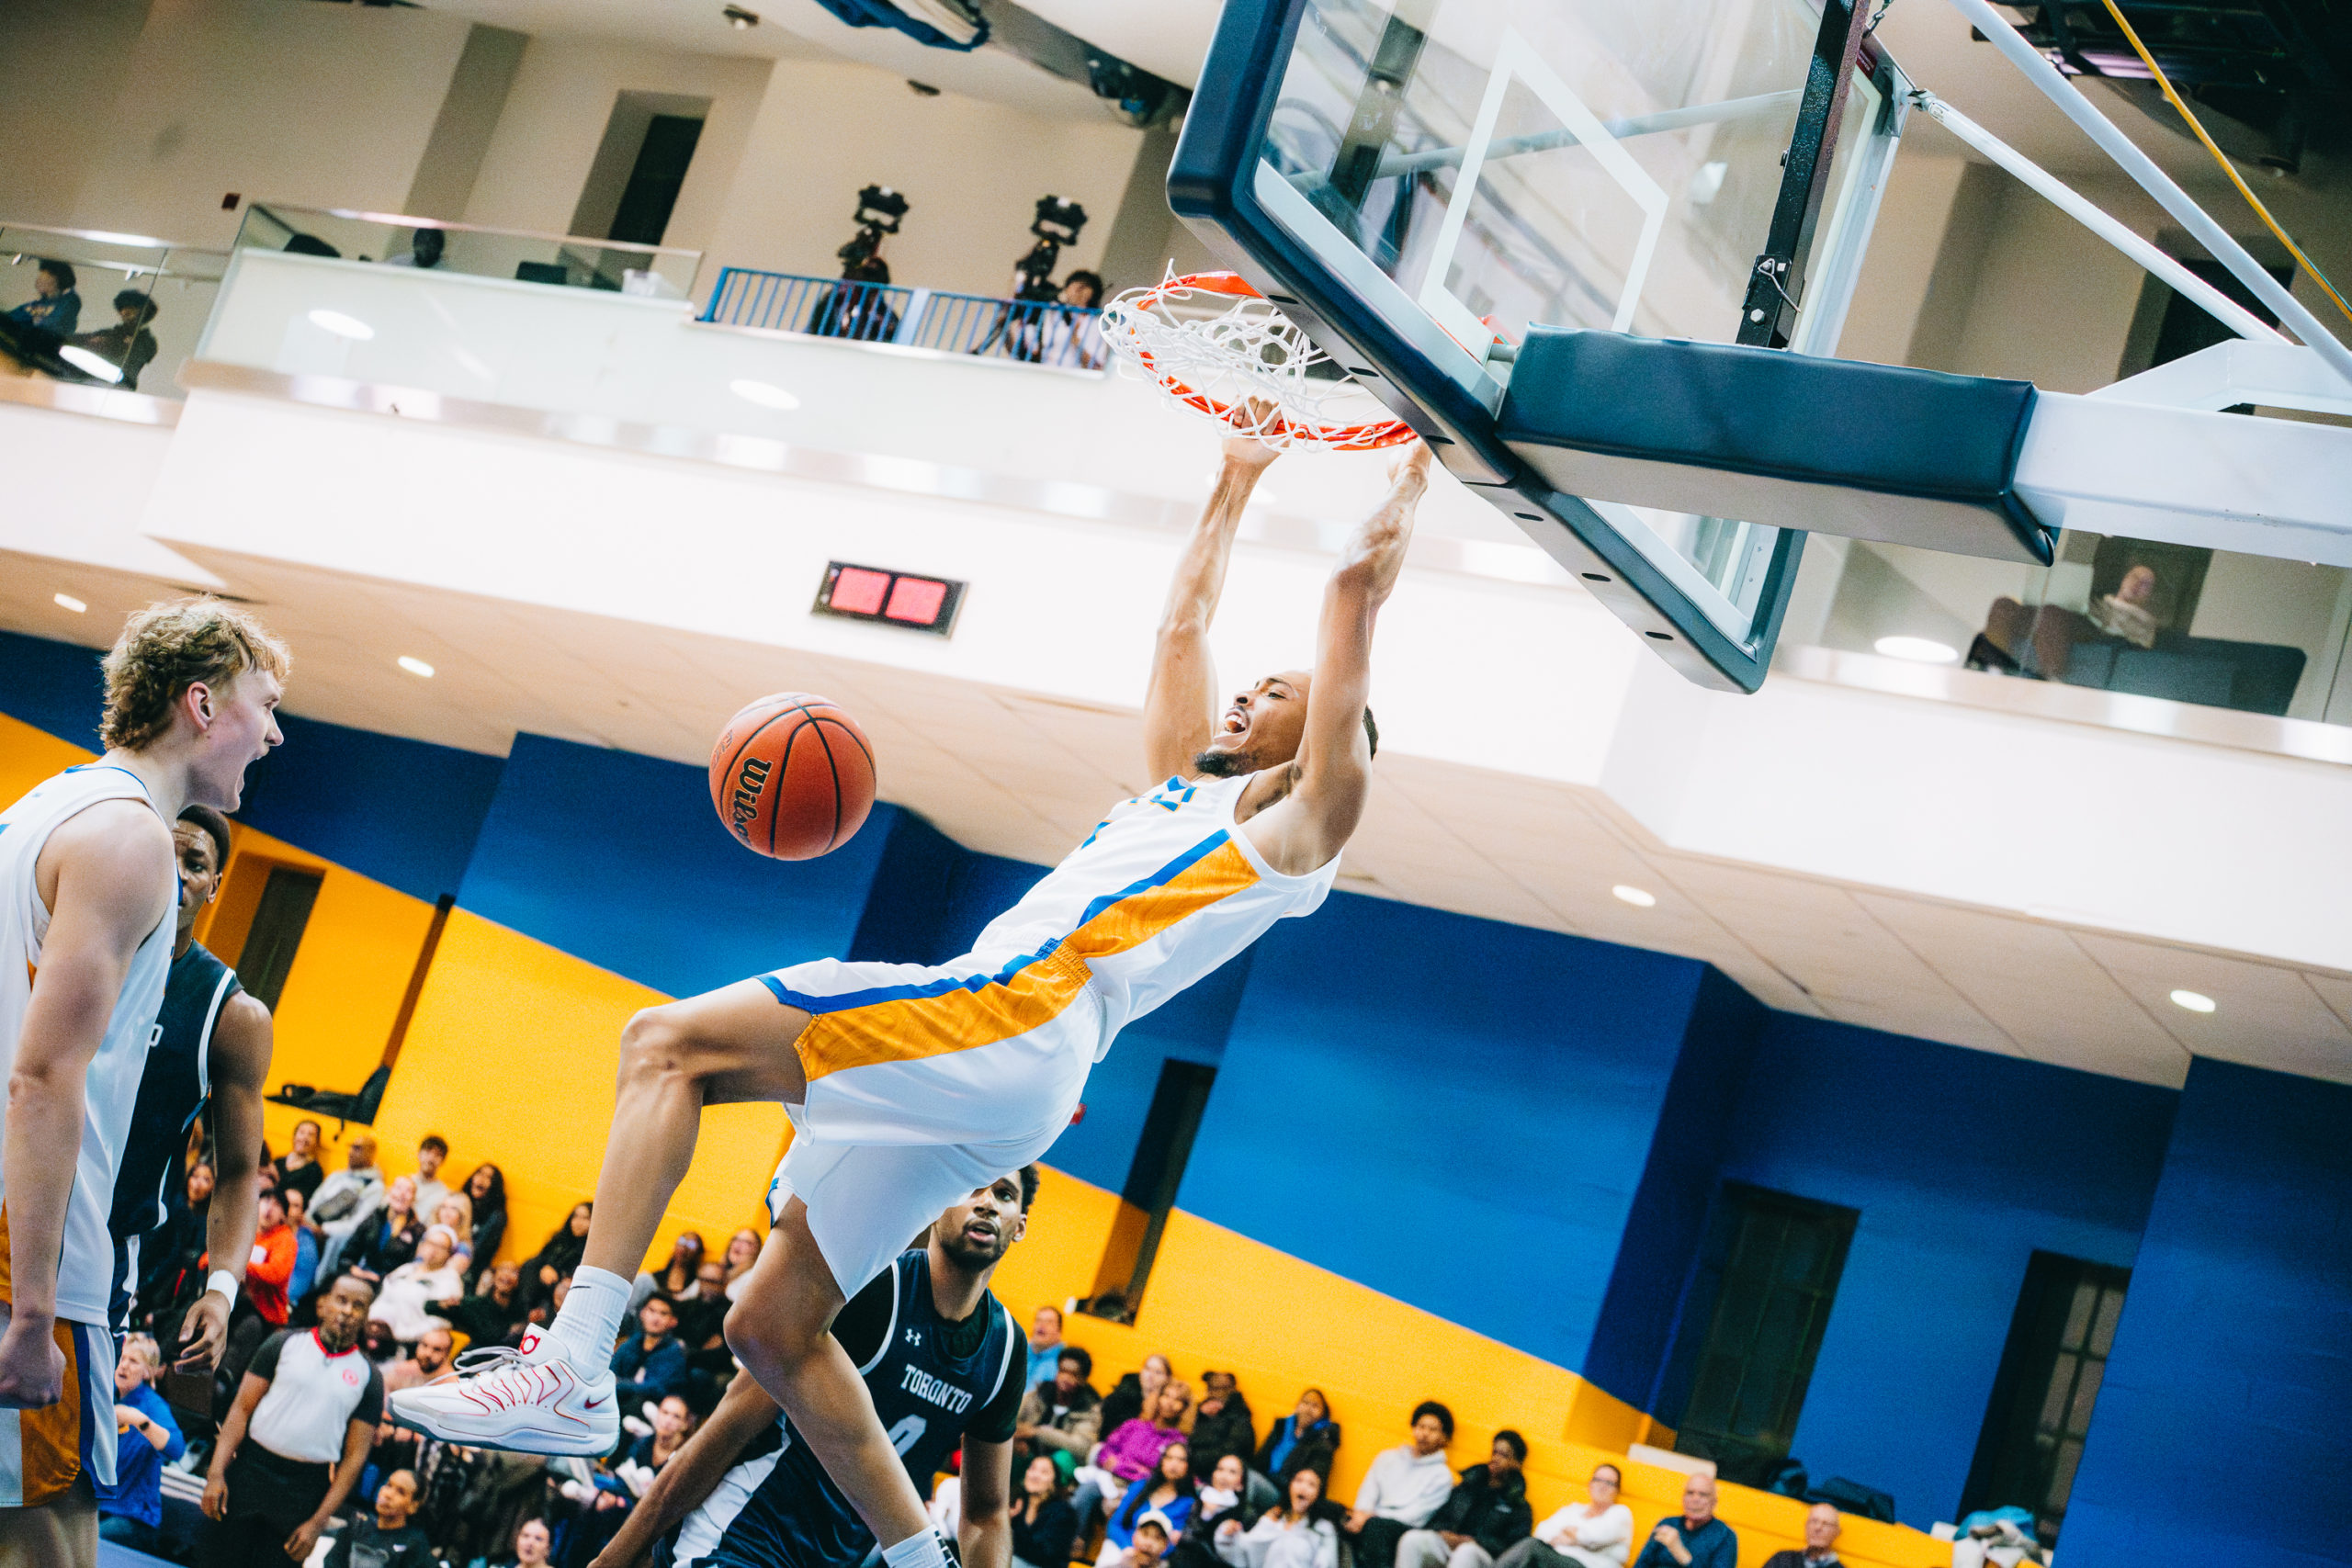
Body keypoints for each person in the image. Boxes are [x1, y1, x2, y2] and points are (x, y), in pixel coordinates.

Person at [396, 433, 1434, 1568]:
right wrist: (1235, 477)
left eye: (1276, 692)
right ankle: (914, 1557)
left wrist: (1410, 467)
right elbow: (1182, 625)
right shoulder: (1183, 792)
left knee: (665, 1044)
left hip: (1010, 1012)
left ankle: (574, 1361)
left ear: (1324, 734)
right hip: (1018, 1075)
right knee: (770, 1327)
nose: (1246, 693)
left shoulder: (1299, 830)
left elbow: (1350, 600)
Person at [0, 598, 286, 1561]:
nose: (275, 732)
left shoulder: (40, 806)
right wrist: (36, 1309)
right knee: (51, 1535)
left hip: (39, 1238)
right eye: (264, 704)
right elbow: (43, 1077)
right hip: (31, 1249)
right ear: (201, 705)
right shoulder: (128, 841)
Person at [585, 1170, 1036, 1568]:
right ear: (937, 1205)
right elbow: (726, 1430)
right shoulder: (872, 1290)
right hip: (742, 1535)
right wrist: (616, 1556)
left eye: (1003, 1194)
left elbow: (985, 1514)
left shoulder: (1007, 1349)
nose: (985, 1202)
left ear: (1020, 1226)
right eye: (971, 1188)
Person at [107, 801, 273, 1368]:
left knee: (52, 1454)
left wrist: (222, 1291)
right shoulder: (57, 941)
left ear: (214, 885)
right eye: (163, 852)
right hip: (11, 1208)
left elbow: (238, 1172)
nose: (177, 872)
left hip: (100, 1251)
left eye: (194, 863)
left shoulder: (232, 1015)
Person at [201, 1274, 383, 1566]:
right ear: (323, 1305)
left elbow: (354, 1458)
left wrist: (318, 1522)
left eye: (358, 1306)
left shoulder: (369, 1378)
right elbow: (240, 1410)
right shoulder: (283, 1343)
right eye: (341, 1300)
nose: (348, 1311)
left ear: (366, 1316)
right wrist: (215, 1474)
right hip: (250, 1469)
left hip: (305, 1489)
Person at [93, 1335, 185, 1554]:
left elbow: (176, 1449)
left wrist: (137, 1419)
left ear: (147, 1372)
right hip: (99, 1508)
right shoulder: (106, 1397)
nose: (123, 1365)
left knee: (88, 1544)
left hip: (134, 1519)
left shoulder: (152, 1405)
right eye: (122, 1358)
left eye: (133, 1361)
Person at [1342, 1403, 1456, 1568]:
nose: (1424, 1433)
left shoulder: (1442, 1475)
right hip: (1371, 1519)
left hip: (1403, 1529)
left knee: (1376, 1528)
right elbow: (1368, 1491)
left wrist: (1371, 1518)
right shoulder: (1388, 1457)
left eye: (1433, 1430)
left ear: (1444, 1437)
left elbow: (1416, 1516)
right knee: (1331, 1513)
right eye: (1421, 1426)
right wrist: (1360, 1514)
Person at [1396, 1432, 1531, 1568]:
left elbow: (1513, 1548)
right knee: (1412, 1539)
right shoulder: (1466, 1488)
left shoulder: (1518, 1507)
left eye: (1504, 1455)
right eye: (1495, 1452)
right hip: (1450, 1544)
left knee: (1466, 1552)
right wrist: (1443, 1532)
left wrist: (1475, 1541)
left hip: (1483, 1556)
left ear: (1516, 1464)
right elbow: (1439, 1517)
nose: (1496, 1458)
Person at [1076, 1380, 1193, 1522]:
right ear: (1158, 1398)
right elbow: (1105, 1452)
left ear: (1184, 1408)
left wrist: (1122, 1465)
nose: (1169, 1403)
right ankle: (1078, 1538)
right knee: (1087, 1490)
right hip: (1113, 1479)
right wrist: (1133, 1468)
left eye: (1177, 1400)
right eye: (1166, 1396)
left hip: (1144, 1490)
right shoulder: (1134, 1426)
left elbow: (1159, 1475)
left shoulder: (1178, 1442)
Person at [1498, 1464, 1634, 1568]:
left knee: (1532, 1548)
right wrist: (1573, 1537)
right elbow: (1542, 1531)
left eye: (1609, 1483)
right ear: (1590, 1484)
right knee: (1532, 1551)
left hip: (1589, 1565)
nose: (1602, 1486)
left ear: (1617, 1490)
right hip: (1558, 1560)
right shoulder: (1574, 1510)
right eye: (1598, 1480)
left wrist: (1573, 1536)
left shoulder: (1620, 1513)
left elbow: (1596, 1536)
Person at [1215, 1466, 1335, 1568]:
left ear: (1318, 1494)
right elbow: (1244, 1551)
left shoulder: (1323, 1528)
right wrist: (1228, 1534)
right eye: (1298, 1481)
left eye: (1311, 1485)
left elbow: (1327, 1564)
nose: (1303, 1487)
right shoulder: (1274, 1518)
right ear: (1290, 1486)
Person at [1102, 1441, 1197, 1568]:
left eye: (1181, 1460)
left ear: (1188, 1466)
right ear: (1162, 1461)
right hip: (1124, 1548)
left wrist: (1149, 1554)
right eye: (1170, 1458)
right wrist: (1128, 1548)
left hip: (1157, 1558)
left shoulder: (1188, 1503)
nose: (1174, 1464)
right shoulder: (1140, 1487)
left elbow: (1176, 1541)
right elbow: (1115, 1524)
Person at [322, 1467, 435, 1566]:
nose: (388, 1494)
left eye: (401, 1492)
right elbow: (332, 1562)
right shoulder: (357, 1524)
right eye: (388, 1485)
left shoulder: (414, 1543)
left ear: (413, 1506)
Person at [373, 1224, 467, 1343]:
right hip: (375, 1332)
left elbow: (440, 1322)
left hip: (407, 1342)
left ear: (450, 1254)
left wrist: (399, 1335)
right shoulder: (406, 1269)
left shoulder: (450, 1281)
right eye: (430, 1243)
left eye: (441, 1247)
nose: (433, 1249)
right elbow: (382, 1297)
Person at [1016, 1345, 1101, 1463]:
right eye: (1062, 1371)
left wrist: (1037, 1433)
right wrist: (1017, 1441)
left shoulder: (1088, 1409)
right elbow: (1012, 1421)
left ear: (1083, 1379)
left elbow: (1081, 1446)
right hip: (1028, 1454)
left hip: (1059, 1466)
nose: (1065, 1378)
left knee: (1063, 1458)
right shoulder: (1038, 1395)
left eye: (1073, 1374)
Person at [1628, 1476, 1733, 1568]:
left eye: (1703, 1495)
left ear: (1714, 1502)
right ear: (1683, 1498)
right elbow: (1642, 1564)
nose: (1695, 1499)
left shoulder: (1725, 1536)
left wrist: (1681, 1554)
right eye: (1690, 1493)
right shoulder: (1667, 1523)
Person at [66, 289, 161, 389]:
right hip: (90, 383)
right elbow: (76, 339)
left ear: (143, 311)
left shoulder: (147, 342)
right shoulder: (111, 333)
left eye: (131, 308)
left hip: (117, 387)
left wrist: (106, 344)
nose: (124, 312)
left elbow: (130, 361)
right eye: (122, 308)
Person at [1253, 1389, 1340, 1496]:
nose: (1308, 1409)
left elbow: (1312, 1481)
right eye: (1305, 1403)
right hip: (1264, 1480)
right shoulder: (1282, 1427)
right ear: (1298, 1406)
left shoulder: (1323, 1441)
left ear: (1323, 1414)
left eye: (1315, 1406)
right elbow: (1260, 1458)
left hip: (1287, 1495)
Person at [611, 1293, 689, 1410]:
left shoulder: (675, 1352)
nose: (655, 1318)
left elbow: (655, 1388)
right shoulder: (630, 1344)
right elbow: (610, 1374)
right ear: (642, 1313)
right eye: (651, 1311)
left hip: (655, 1411)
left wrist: (619, 1384)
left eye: (663, 1313)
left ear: (673, 1321)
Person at [346, 1174, 425, 1281]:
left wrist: (380, 1278)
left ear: (413, 1199)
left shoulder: (417, 1230)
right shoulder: (375, 1216)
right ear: (390, 1192)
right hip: (359, 1273)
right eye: (398, 1188)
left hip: (390, 1282)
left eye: (408, 1191)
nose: (402, 1193)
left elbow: (411, 1266)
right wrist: (351, 1267)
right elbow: (350, 1250)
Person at [243, 1188, 301, 1327]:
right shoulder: (245, 1230)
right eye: (266, 1201)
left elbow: (276, 1273)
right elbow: (209, 1258)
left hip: (266, 1317)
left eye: (277, 1205)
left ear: (284, 1216)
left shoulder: (285, 1239)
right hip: (239, 1303)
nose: (269, 1208)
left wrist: (238, 1266)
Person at [1010, 1453, 1078, 1568]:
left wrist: (1010, 1522)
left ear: (1054, 1482)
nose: (1034, 1475)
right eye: (1032, 1468)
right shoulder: (1017, 1500)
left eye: (1044, 1472)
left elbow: (1044, 1555)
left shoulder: (1063, 1513)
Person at [1190, 1371, 1256, 1486]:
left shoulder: (1239, 1417)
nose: (1215, 1393)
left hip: (1218, 1475)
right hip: (1195, 1469)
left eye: (1221, 1389)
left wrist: (1193, 1459)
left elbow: (1232, 1449)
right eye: (1211, 1389)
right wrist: (1200, 1415)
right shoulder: (1201, 1412)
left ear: (1232, 1390)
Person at [449, 1259, 530, 1349]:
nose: (507, 1275)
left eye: (514, 1272)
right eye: (503, 1269)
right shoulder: (477, 1304)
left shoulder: (521, 1312)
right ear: (494, 1276)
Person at [1100, 1353, 1173, 1438]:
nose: (1151, 1376)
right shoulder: (1120, 1397)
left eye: (1158, 1372)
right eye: (1147, 1369)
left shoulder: (1167, 1407)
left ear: (1167, 1378)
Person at [6, 259, 82, 336]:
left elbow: (58, 325)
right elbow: (8, 318)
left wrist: (31, 322)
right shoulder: (33, 305)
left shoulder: (69, 303)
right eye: (40, 276)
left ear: (58, 279)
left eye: (45, 277)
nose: (38, 281)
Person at [460, 1162, 508, 1279]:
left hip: (469, 1270)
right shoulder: (459, 1202)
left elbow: (477, 1251)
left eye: (489, 1177)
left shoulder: (496, 1216)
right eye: (480, 1173)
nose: (481, 1179)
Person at [1758, 1503, 1840, 1568]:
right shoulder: (1782, 1559)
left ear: (1836, 1532)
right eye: (1814, 1521)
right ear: (1806, 1526)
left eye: (1826, 1524)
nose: (1818, 1528)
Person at [1024, 1304, 1065, 1392]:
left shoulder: (1062, 1362)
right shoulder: (1020, 1352)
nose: (1042, 1325)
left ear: (1059, 1331)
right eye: (1038, 1320)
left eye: (1049, 1322)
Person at [411, 1135, 452, 1221]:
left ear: (442, 1161)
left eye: (437, 1155)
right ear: (419, 1154)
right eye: (427, 1152)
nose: (431, 1159)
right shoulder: (405, 1182)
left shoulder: (443, 1194)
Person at [720, 1226, 762, 1302]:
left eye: (746, 1242)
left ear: (756, 1250)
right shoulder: (718, 1270)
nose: (738, 1244)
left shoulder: (751, 1277)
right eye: (735, 1239)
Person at [383, 227, 447, 269]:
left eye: (431, 242)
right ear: (414, 243)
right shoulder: (397, 263)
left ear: (439, 247)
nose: (425, 247)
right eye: (421, 241)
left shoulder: (447, 274)